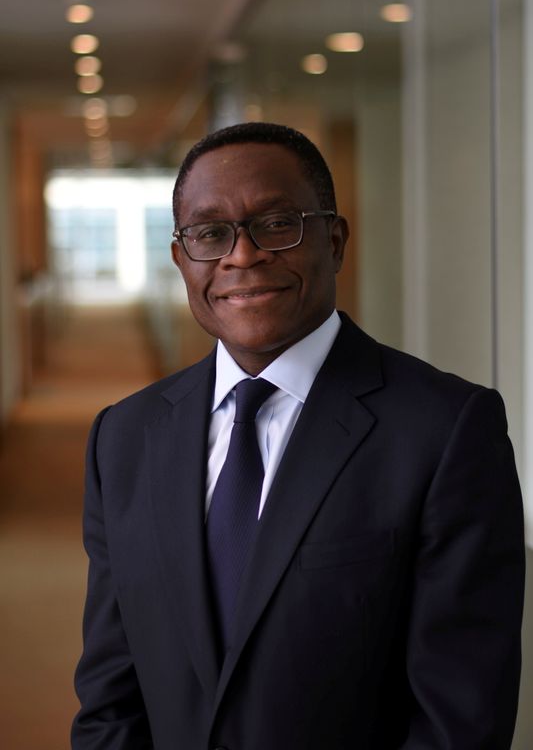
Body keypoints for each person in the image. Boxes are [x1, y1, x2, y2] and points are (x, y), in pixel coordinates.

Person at [72, 122, 525, 750]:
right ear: (181, 258)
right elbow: (109, 695)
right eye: (209, 233)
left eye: (277, 224)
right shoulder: (122, 438)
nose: (242, 255)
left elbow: (460, 721)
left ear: (334, 242)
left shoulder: (446, 431)